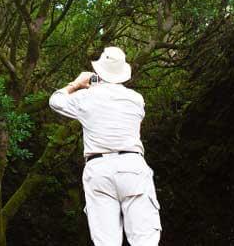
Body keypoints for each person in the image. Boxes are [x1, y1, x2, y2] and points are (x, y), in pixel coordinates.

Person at [49, 47, 161, 246]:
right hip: (132, 166)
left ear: (98, 72)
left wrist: (76, 84)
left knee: (106, 242)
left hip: (98, 169)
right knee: (145, 239)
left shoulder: (86, 98)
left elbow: (55, 101)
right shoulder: (136, 99)